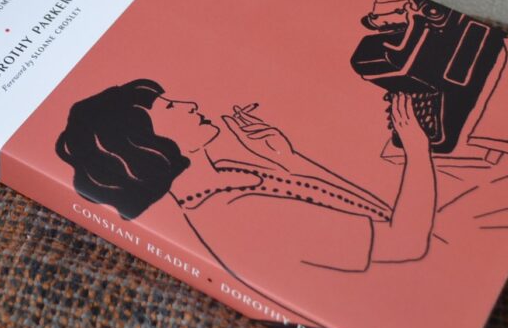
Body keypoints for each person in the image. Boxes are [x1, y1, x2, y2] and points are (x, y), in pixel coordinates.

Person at [56, 79, 436, 276]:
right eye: (170, 107)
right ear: (146, 144)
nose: (189, 105)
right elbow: (404, 244)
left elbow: (371, 214)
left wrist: (287, 159)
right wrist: (418, 149)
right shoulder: (231, 212)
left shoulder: (229, 180)